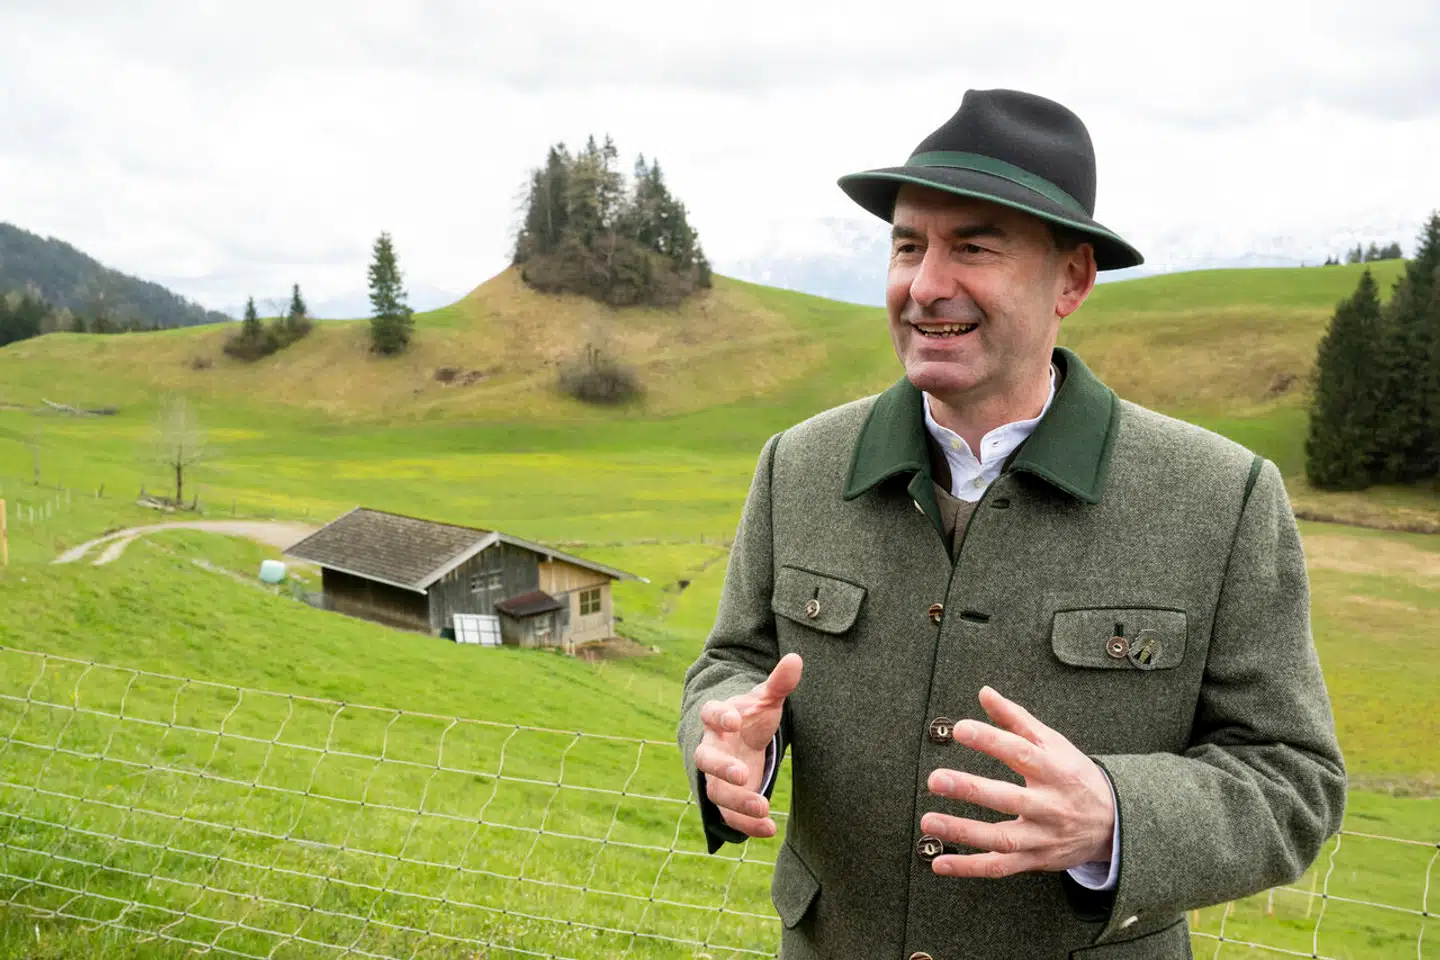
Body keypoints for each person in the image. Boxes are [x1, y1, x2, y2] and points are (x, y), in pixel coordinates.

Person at [678, 89, 1345, 959]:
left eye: (973, 248)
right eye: (908, 244)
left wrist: (1115, 815)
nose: (924, 286)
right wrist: (729, 737)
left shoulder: (1223, 498)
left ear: (1071, 279)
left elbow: (1293, 780)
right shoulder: (796, 467)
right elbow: (734, 664)